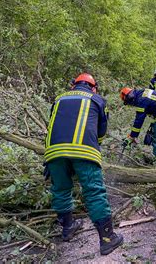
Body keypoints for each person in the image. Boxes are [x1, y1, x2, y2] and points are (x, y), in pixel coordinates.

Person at [44, 73, 123, 255]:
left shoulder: (58, 99)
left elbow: (52, 125)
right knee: (94, 191)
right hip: (84, 151)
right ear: (93, 87)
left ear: (73, 86)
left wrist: (49, 159)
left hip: (54, 151)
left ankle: (67, 228)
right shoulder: (97, 100)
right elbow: (101, 131)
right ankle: (107, 239)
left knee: (61, 190)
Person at [120, 87, 156, 162]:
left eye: (128, 103)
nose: (131, 105)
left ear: (129, 98)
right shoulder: (140, 94)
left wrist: (132, 136)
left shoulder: (140, 101)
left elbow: (139, 121)